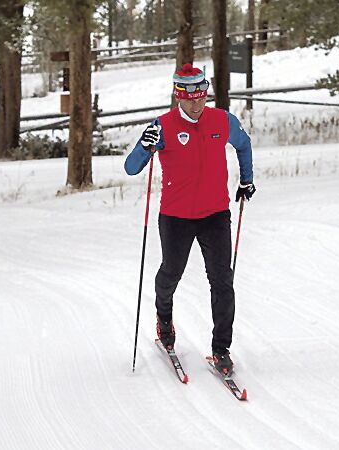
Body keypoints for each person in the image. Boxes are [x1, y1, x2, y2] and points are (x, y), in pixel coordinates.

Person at [124, 63, 255, 376]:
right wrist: (145, 145)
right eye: (190, 98)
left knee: (223, 282)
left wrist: (246, 180)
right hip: (176, 217)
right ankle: (164, 319)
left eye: (202, 96)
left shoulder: (222, 120)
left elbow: (244, 144)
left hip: (215, 214)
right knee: (171, 274)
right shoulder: (163, 126)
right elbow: (131, 168)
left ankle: (220, 349)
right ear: (177, 96)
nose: (198, 104)